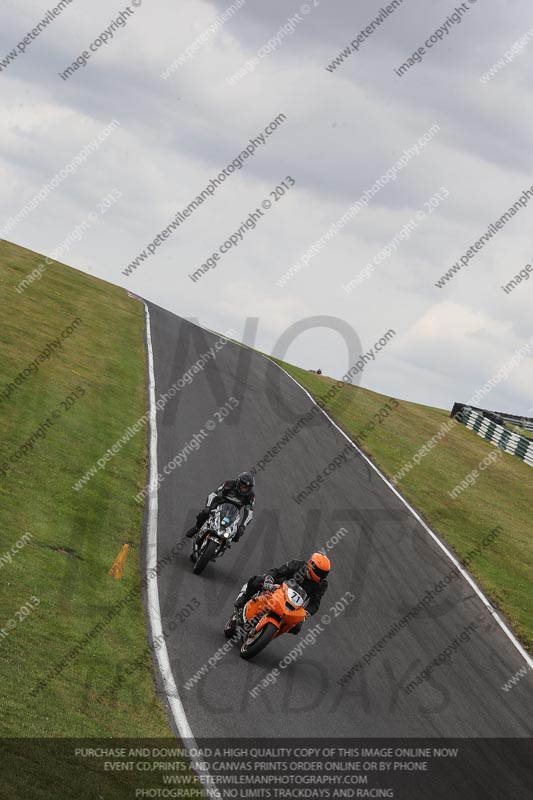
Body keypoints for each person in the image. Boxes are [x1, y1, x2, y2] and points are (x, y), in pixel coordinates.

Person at [233, 552, 330, 634]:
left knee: (297, 628)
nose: (321, 575)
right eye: (319, 572)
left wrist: (304, 614)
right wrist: (269, 581)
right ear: (311, 564)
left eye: (323, 574)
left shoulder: (321, 585)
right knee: (257, 580)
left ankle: (270, 633)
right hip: (276, 588)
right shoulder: (297, 564)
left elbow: (314, 604)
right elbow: (276, 571)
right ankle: (244, 598)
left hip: (293, 605)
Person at [186, 471, 255, 542]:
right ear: (238, 482)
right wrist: (207, 507)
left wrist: (243, 526)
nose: (244, 489)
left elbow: (249, 512)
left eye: (247, 487)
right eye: (242, 486)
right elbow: (214, 495)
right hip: (219, 504)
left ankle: (225, 544)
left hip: (233, 512)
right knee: (204, 513)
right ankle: (197, 528)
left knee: (237, 536)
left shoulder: (251, 496)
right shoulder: (228, 484)